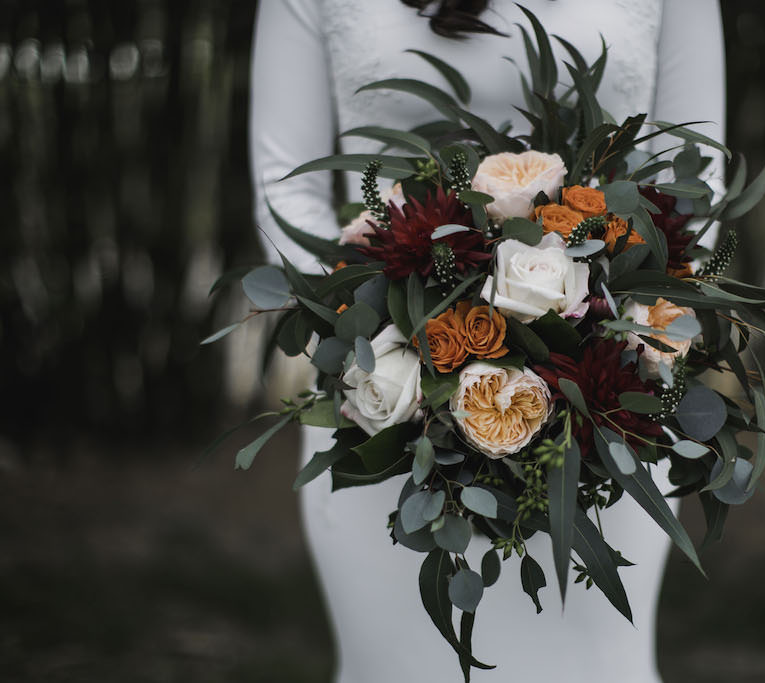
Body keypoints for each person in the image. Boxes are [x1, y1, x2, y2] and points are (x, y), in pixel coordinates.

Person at [249, 1, 725, 680]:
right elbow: (283, 190)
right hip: (384, 405)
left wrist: (615, 334)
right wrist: (378, 329)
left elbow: (693, 183)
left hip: (609, 412)